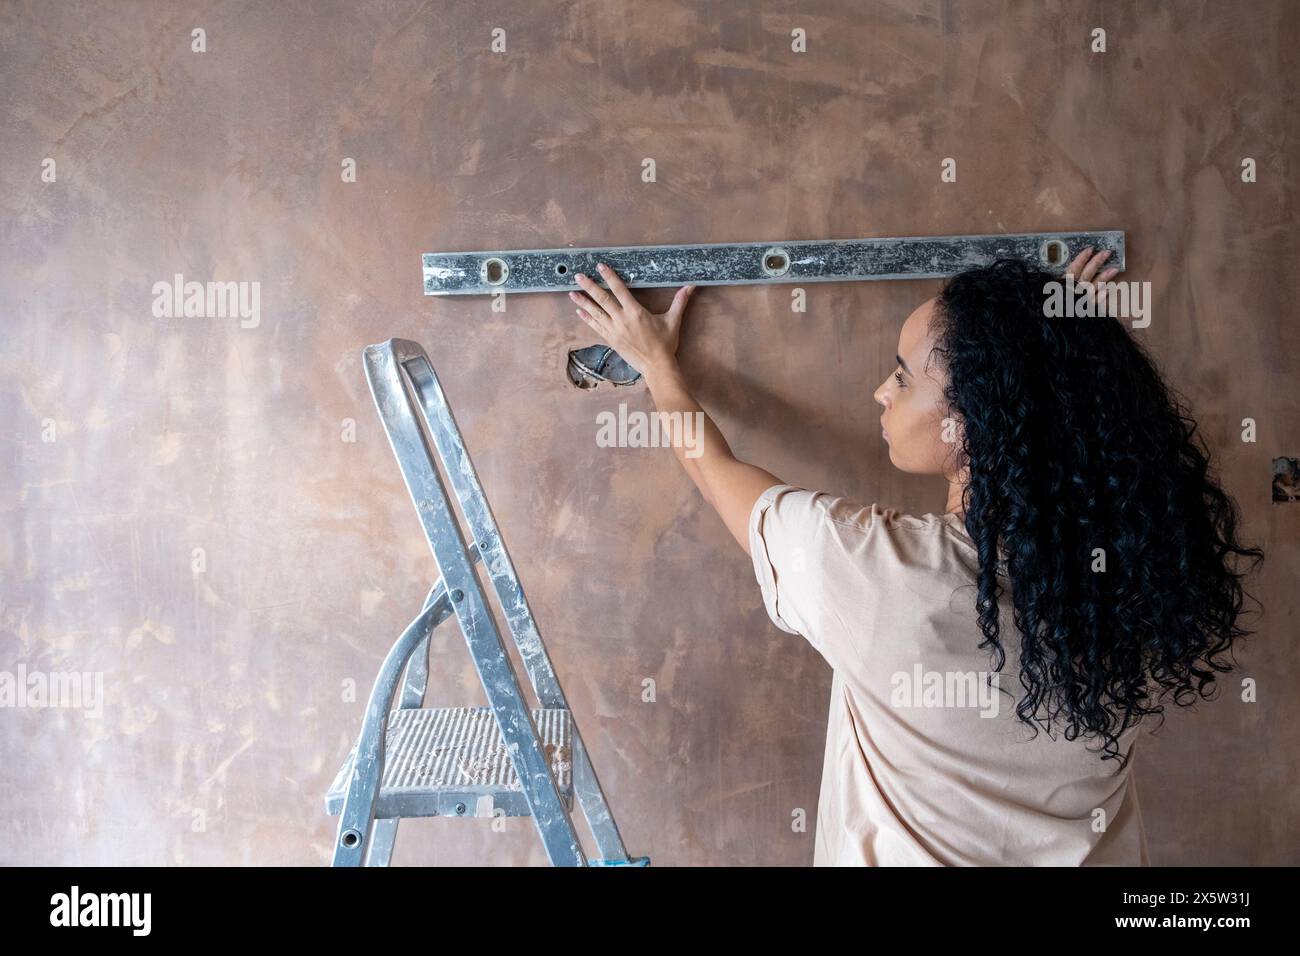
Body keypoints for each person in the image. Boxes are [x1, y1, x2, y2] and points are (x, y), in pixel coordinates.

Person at [568, 248, 1263, 866]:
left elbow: (712, 470)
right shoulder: (1138, 585)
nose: (881, 390)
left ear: (968, 421)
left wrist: (657, 362)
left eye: (901, 376)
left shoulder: (879, 571)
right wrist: (1063, 338)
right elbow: (1065, 411)